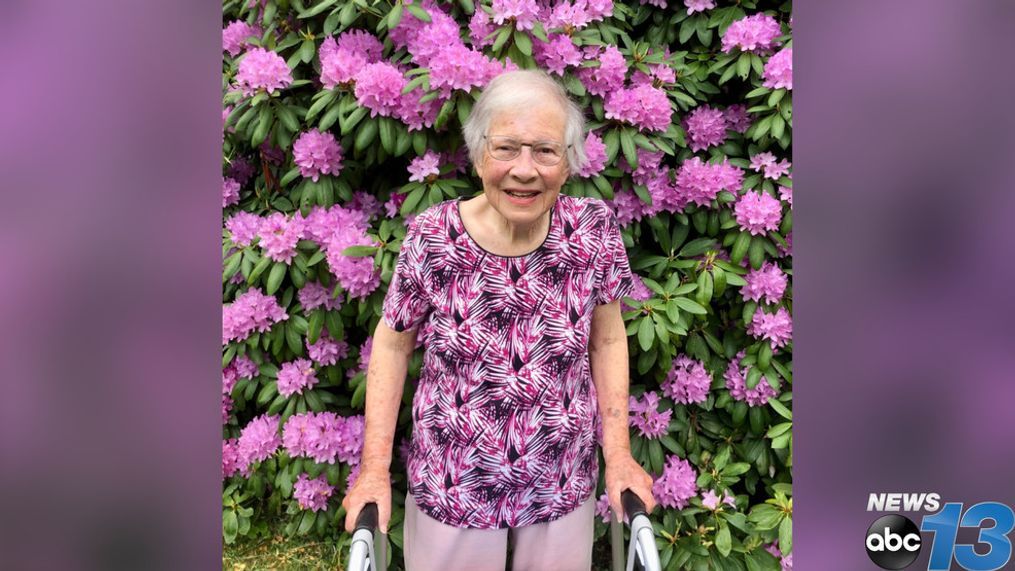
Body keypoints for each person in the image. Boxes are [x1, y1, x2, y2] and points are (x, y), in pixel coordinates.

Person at [342, 69, 656, 570]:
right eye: (507, 148)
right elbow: (393, 345)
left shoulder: (593, 230)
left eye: (546, 151)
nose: (525, 170)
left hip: (560, 471)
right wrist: (373, 469)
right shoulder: (433, 237)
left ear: (569, 162)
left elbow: (608, 341)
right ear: (478, 151)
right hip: (454, 476)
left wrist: (617, 454)